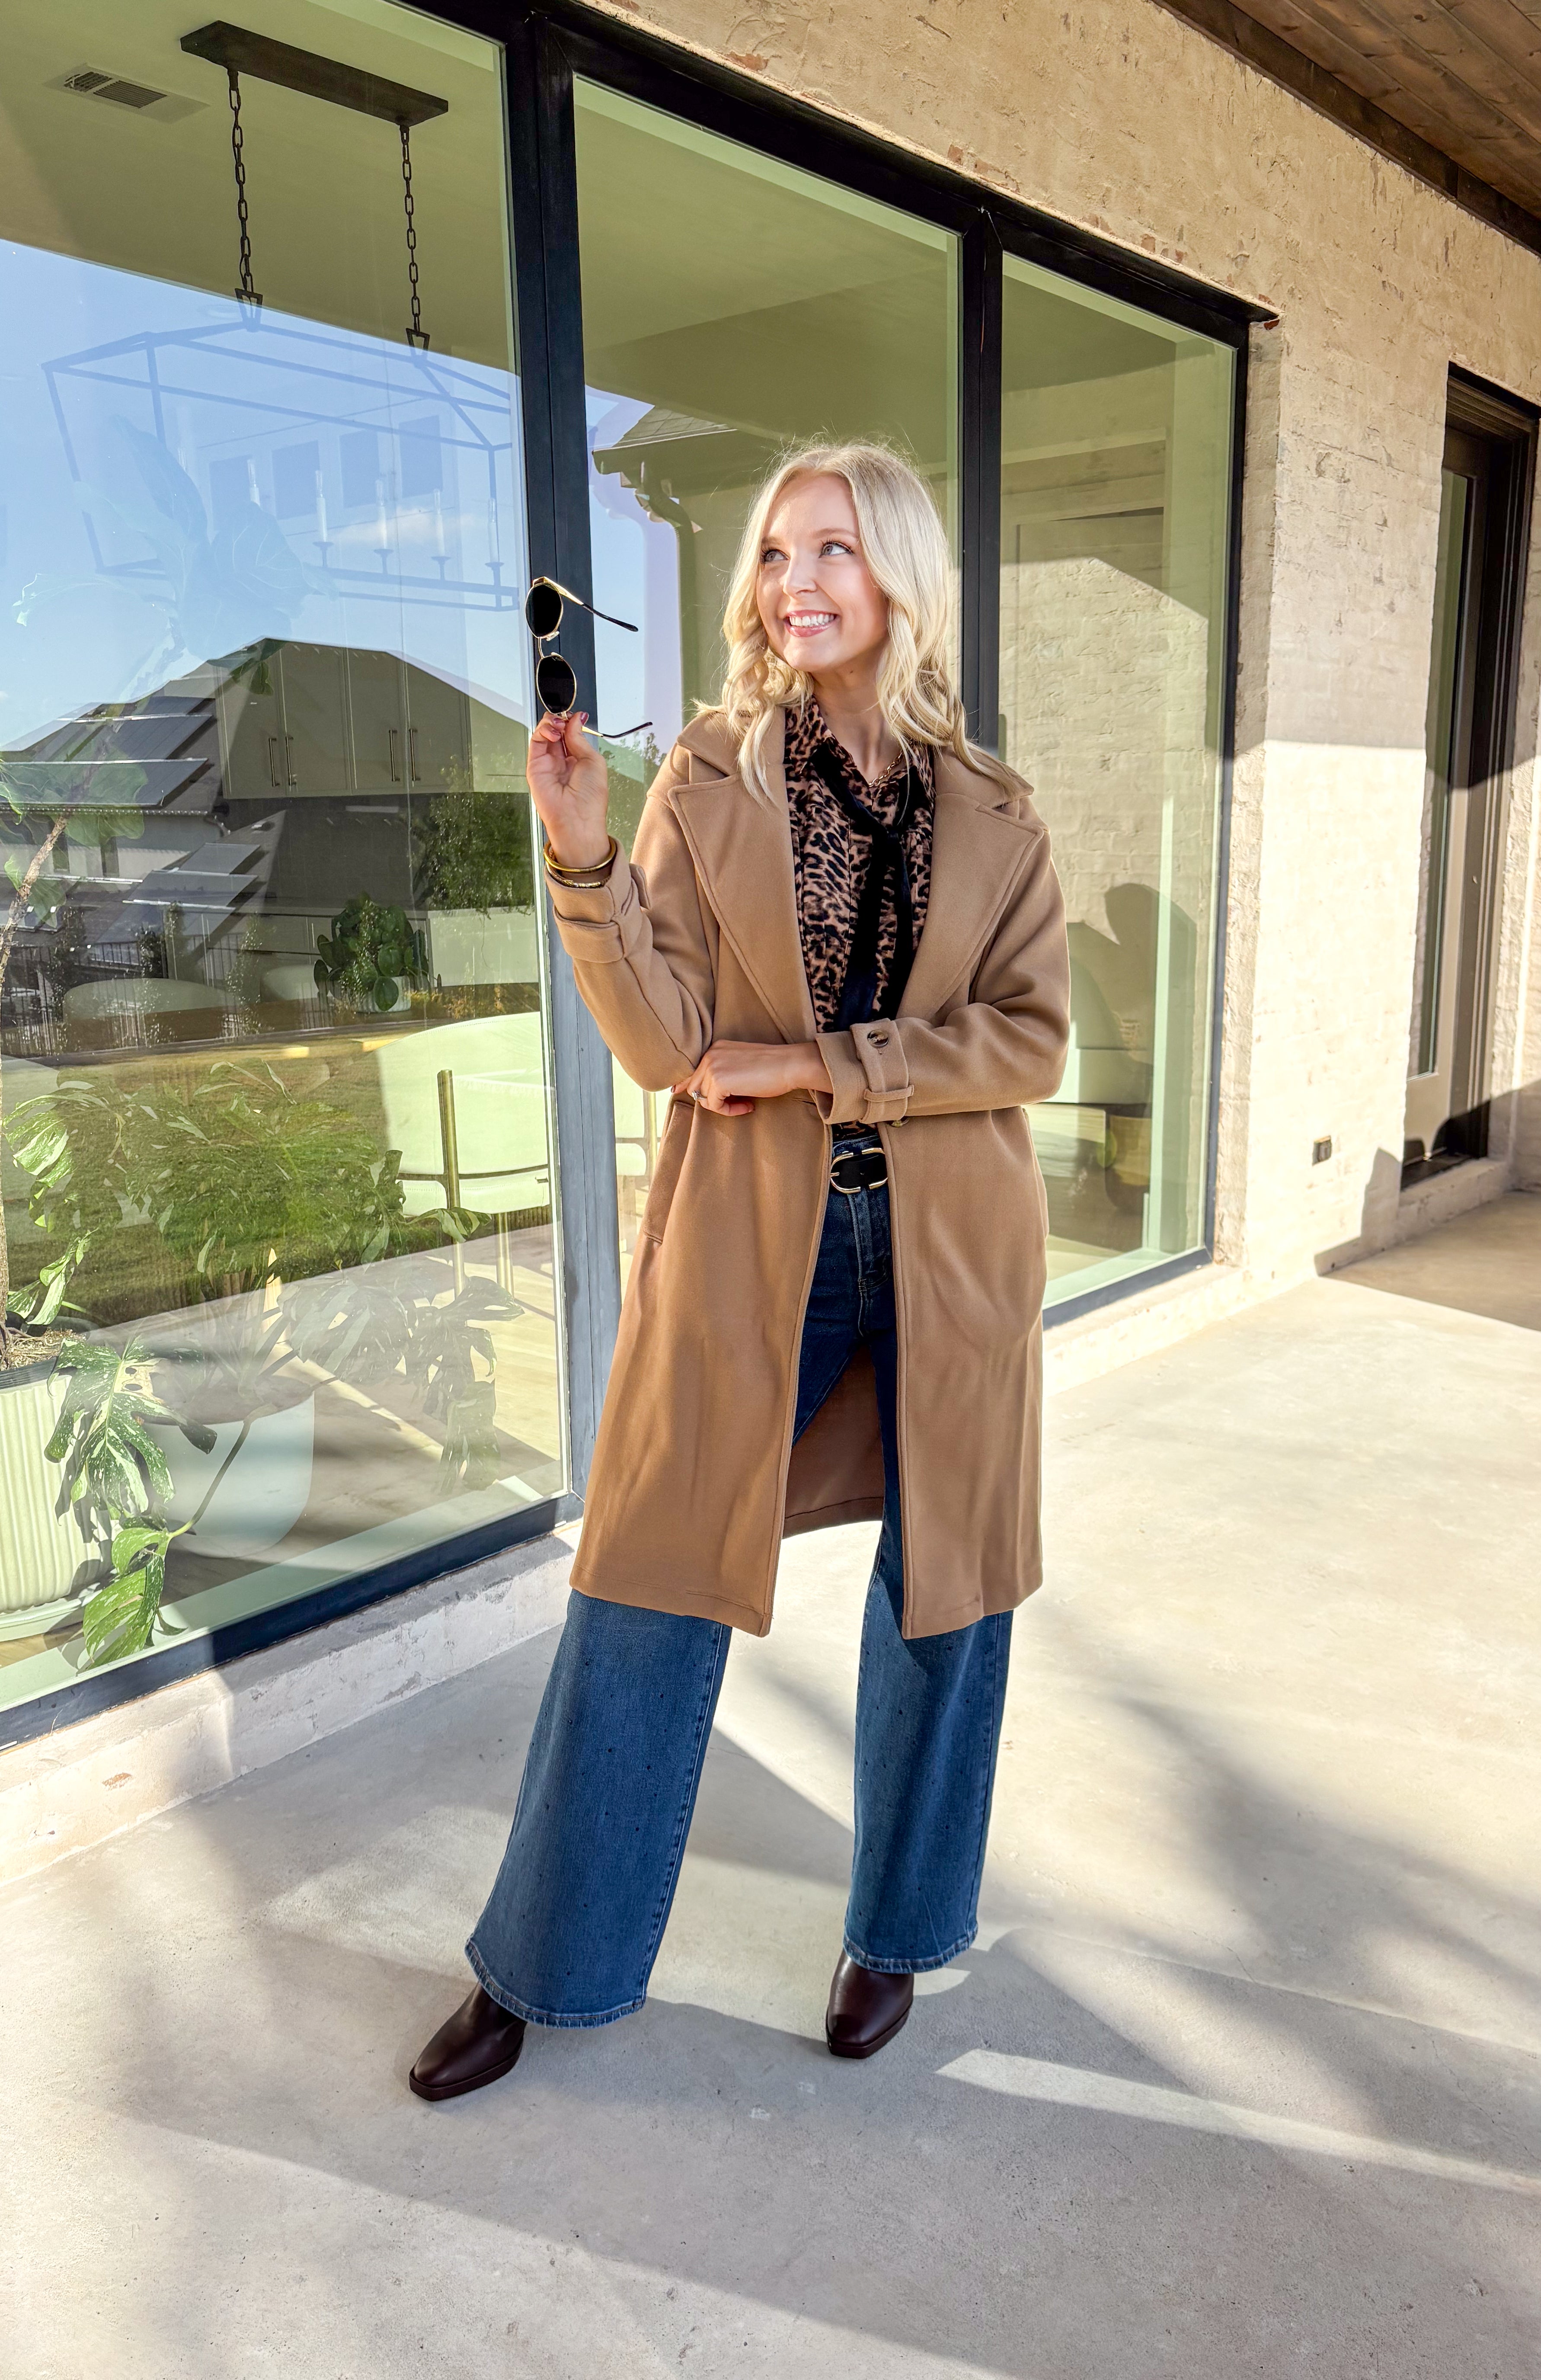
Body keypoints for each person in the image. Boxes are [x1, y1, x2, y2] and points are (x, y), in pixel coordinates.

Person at [409, 440, 1070, 2100]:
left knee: (951, 1592)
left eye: (833, 550)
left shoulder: (997, 810)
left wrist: (826, 1068)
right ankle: (545, 1962)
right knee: (646, 1576)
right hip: (748, 1246)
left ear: (898, 575)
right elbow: (664, 1043)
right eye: (778, 553)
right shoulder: (706, 775)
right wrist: (576, 854)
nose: (796, 583)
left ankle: (900, 1932)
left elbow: (1031, 1039)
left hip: (949, 1247)